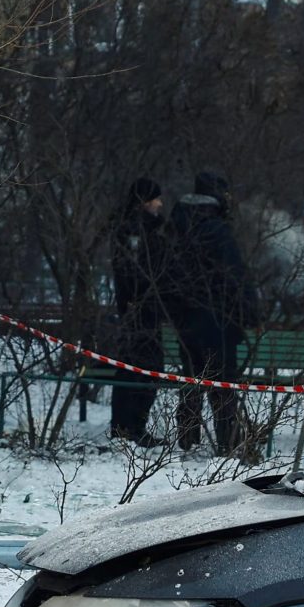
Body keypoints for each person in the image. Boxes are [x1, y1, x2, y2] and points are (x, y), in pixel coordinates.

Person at [165, 170, 258, 456]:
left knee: (191, 378)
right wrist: (249, 311)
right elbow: (234, 275)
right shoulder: (217, 230)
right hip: (218, 319)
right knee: (222, 382)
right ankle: (226, 441)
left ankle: (188, 438)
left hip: (185, 318)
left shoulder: (176, 227)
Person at [106, 177, 173, 443]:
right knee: (141, 368)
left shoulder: (143, 230)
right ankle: (131, 428)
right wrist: (141, 297)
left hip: (142, 309)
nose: (160, 204)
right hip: (140, 311)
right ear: (145, 201)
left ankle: (129, 427)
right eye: (155, 199)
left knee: (136, 368)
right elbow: (132, 274)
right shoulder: (135, 232)